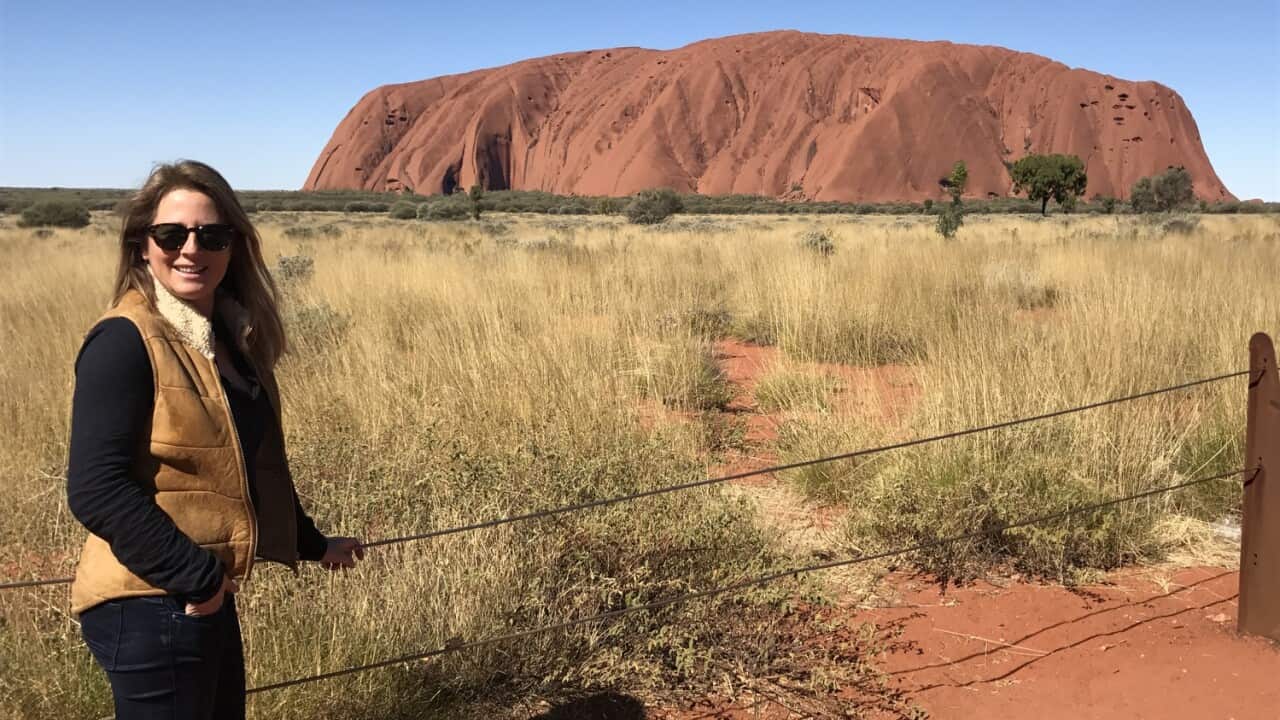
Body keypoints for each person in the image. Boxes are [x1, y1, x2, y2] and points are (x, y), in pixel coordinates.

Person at [66, 160, 364, 719]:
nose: (191, 249)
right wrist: (198, 580)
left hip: (196, 595)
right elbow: (96, 488)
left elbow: (248, 465)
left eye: (212, 235)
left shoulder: (227, 341)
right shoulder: (125, 340)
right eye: (171, 234)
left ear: (234, 246)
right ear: (141, 246)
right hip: (150, 598)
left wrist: (313, 544)